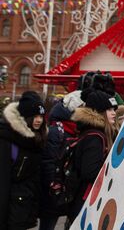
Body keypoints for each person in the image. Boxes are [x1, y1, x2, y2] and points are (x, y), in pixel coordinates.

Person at [66, 89, 118, 222]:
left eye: (114, 109)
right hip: (87, 201)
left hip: (85, 200)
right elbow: (90, 172)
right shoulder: (95, 137)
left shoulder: (92, 133)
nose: (113, 113)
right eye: (109, 109)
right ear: (99, 112)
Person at [0, 91, 48, 230]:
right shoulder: (7, 141)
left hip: (25, 210)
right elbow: (3, 184)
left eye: (41, 116)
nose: (39, 120)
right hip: (11, 214)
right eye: (35, 116)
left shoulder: (36, 140)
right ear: (24, 117)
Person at [38, 91, 83, 230]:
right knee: (48, 224)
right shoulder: (57, 130)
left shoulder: (73, 129)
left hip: (64, 188)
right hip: (53, 191)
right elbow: (48, 161)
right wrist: (54, 187)